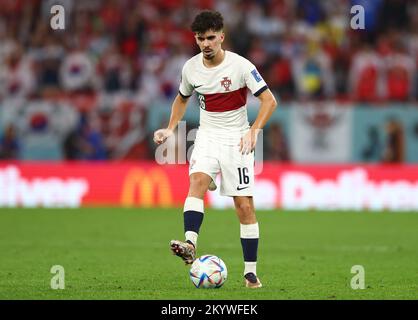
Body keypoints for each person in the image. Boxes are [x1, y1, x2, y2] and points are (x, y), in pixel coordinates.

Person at [153, 10, 277, 288]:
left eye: (211, 38)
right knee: (197, 181)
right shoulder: (191, 68)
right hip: (207, 136)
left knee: (243, 207)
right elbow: (182, 99)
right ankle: (190, 244)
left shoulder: (242, 66)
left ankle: (250, 273)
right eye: (200, 39)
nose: (206, 44)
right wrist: (170, 129)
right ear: (195, 39)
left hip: (237, 139)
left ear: (221, 37)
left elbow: (269, 101)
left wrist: (253, 131)